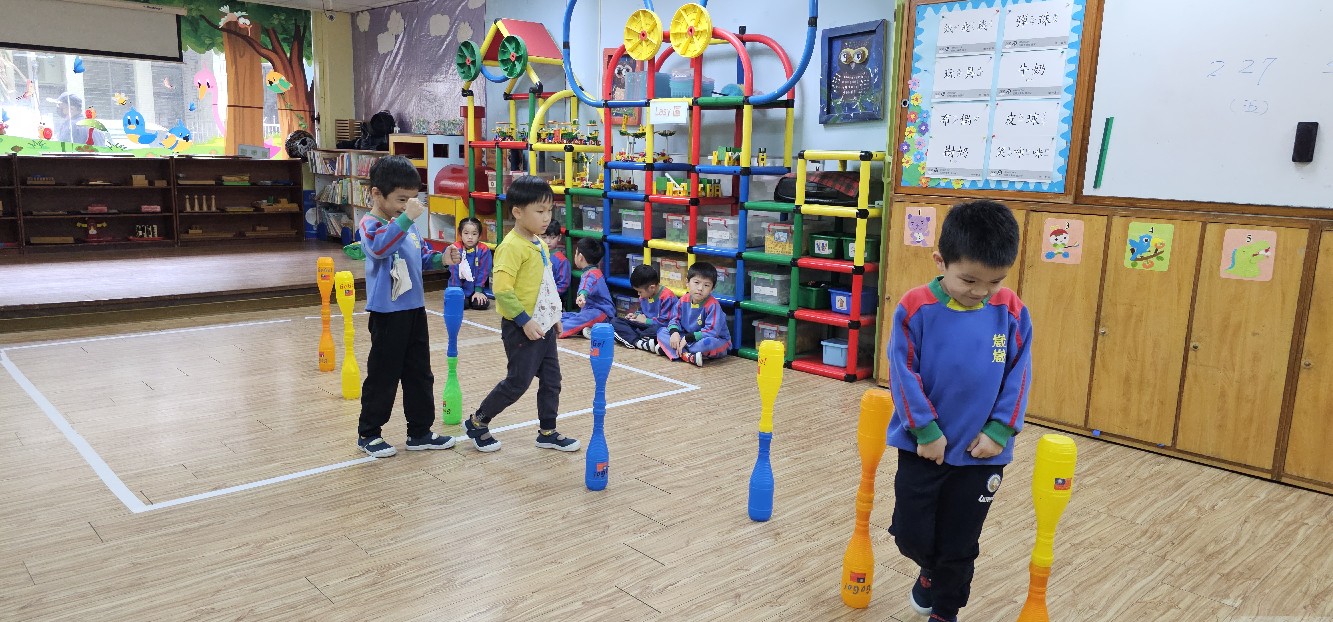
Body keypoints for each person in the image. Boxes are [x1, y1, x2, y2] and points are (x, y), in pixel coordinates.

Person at [885, 200, 1033, 622]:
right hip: (923, 449)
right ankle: (928, 569)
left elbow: (1020, 374)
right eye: (969, 279)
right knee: (910, 535)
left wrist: (1000, 431)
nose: (981, 292)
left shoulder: (1012, 311)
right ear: (941, 262)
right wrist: (926, 431)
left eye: (995, 281)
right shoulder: (915, 308)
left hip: (981, 453)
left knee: (960, 543)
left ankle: (946, 611)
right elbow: (902, 372)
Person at [355, 156, 463, 458]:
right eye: (401, 199)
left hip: (414, 310)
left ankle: (419, 431)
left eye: (412, 199)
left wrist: (442, 258)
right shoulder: (370, 224)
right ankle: (369, 433)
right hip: (387, 314)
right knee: (383, 375)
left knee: (420, 373)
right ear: (377, 194)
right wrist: (406, 219)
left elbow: (421, 254)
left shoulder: (406, 223)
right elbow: (380, 248)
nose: (408, 205)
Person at [465, 175, 579, 453]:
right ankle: (478, 422)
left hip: (543, 326)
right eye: (539, 211)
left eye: (549, 210)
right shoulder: (511, 247)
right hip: (521, 328)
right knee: (518, 382)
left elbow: (545, 283)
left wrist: (554, 316)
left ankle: (547, 432)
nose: (546, 217)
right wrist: (524, 320)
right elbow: (502, 290)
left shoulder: (540, 243)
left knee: (552, 381)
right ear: (517, 212)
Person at [657, 261, 731, 367]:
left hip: (713, 339)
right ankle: (687, 355)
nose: (700, 288)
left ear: (712, 288)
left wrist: (687, 339)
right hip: (688, 337)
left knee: (708, 343)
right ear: (687, 282)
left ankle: (675, 350)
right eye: (696, 282)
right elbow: (674, 319)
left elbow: (712, 331)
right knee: (661, 332)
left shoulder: (713, 305)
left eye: (706, 285)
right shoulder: (683, 300)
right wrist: (674, 332)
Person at [558, 237, 616, 339]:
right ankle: (590, 330)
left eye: (575, 253)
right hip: (591, 313)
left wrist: (582, 295)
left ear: (580, 257)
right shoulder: (593, 272)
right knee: (564, 316)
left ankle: (557, 331)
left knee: (580, 319)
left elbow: (586, 286)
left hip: (601, 315)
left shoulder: (591, 274)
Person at [612, 264, 678, 351]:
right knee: (615, 321)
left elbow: (665, 322)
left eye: (640, 292)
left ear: (652, 288)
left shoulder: (667, 297)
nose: (638, 294)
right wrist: (635, 315)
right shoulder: (645, 295)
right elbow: (642, 311)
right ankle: (639, 342)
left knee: (659, 331)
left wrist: (645, 320)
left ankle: (634, 338)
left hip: (659, 328)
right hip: (645, 327)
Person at [449, 217, 494, 310]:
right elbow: (454, 273)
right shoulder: (455, 248)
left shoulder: (484, 250)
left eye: (474, 234)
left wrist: (478, 290)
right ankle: (461, 296)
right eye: (466, 233)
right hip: (458, 288)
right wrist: (458, 291)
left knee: (481, 304)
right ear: (460, 234)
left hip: (475, 288)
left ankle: (474, 295)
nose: (470, 237)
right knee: (462, 305)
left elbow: (484, 271)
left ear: (479, 236)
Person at [541, 219, 571, 297]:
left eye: (553, 237)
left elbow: (563, 284)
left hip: (552, 298)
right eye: (544, 237)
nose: (548, 241)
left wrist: (549, 296)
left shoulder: (562, 260)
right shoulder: (535, 253)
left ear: (559, 237)